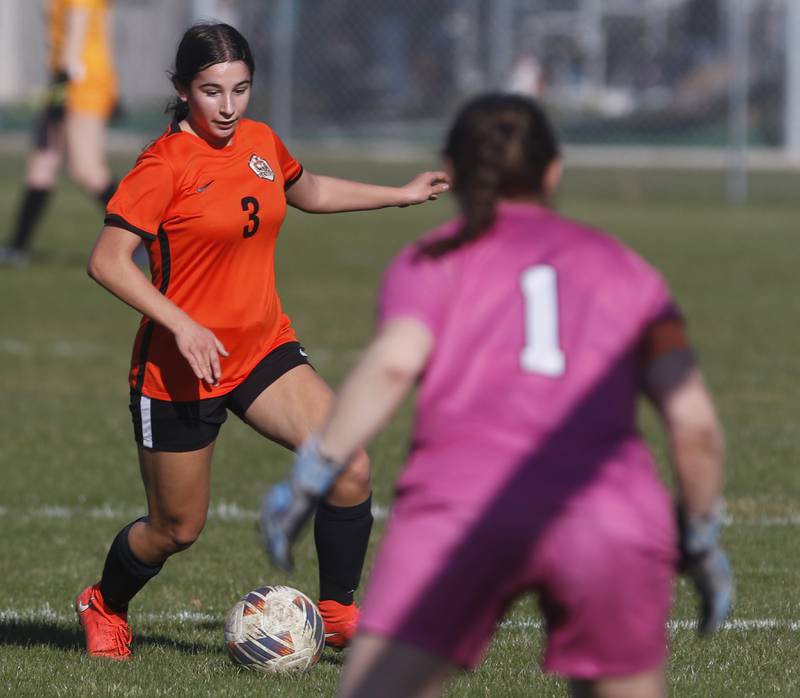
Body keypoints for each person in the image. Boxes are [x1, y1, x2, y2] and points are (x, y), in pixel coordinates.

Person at [261, 94, 734, 698]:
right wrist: (697, 535)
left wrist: (312, 474)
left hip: (464, 510)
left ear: (451, 169)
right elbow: (693, 424)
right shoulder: (628, 270)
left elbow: (391, 366)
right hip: (607, 515)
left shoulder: (433, 261)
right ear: (555, 170)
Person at [74, 22, 449, 660]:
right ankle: (104, 603)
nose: (227, 107)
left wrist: (399, 196)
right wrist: (182, 324)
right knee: (176, 529)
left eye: (240, 90)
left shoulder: (259, 142)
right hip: (179, 369)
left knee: (348, 464)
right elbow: (107, 260)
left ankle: (337, 613)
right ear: (183, 90)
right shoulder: (163, 165)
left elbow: (311, 191)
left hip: (261, 349)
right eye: (211, 91)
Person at [1, 0, 118, 266]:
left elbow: (77, 27)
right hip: (70, 80)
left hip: (80, 85)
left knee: (87, 169)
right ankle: (18, 247)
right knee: (42, 161)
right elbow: (104, 29)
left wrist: (62, 86)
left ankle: (145, 237)